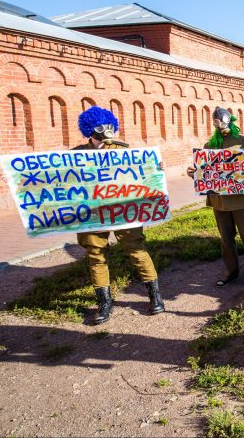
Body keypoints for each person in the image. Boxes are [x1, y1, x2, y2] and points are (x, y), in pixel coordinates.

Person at [74, 106, 165, 325]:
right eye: (99, 126)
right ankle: (104, 303)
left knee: (137, 250)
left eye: (108, 125)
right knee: (96, 255)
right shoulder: (76, 155)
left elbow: (142, 175)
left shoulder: (125, 151)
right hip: (94, 213)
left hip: (124, 210)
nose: (106, 130)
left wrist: (156, 170)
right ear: (90, 129)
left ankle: (155, 296)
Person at [187, 107, 244, 290]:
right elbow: (205, 173)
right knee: (226, 240)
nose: (220, 123)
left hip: (243, 201)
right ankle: (230, 272)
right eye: (216, 120)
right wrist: (194, 174)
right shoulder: (210, 146)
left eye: (222, 119)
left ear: (229, 120)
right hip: (220, 201)